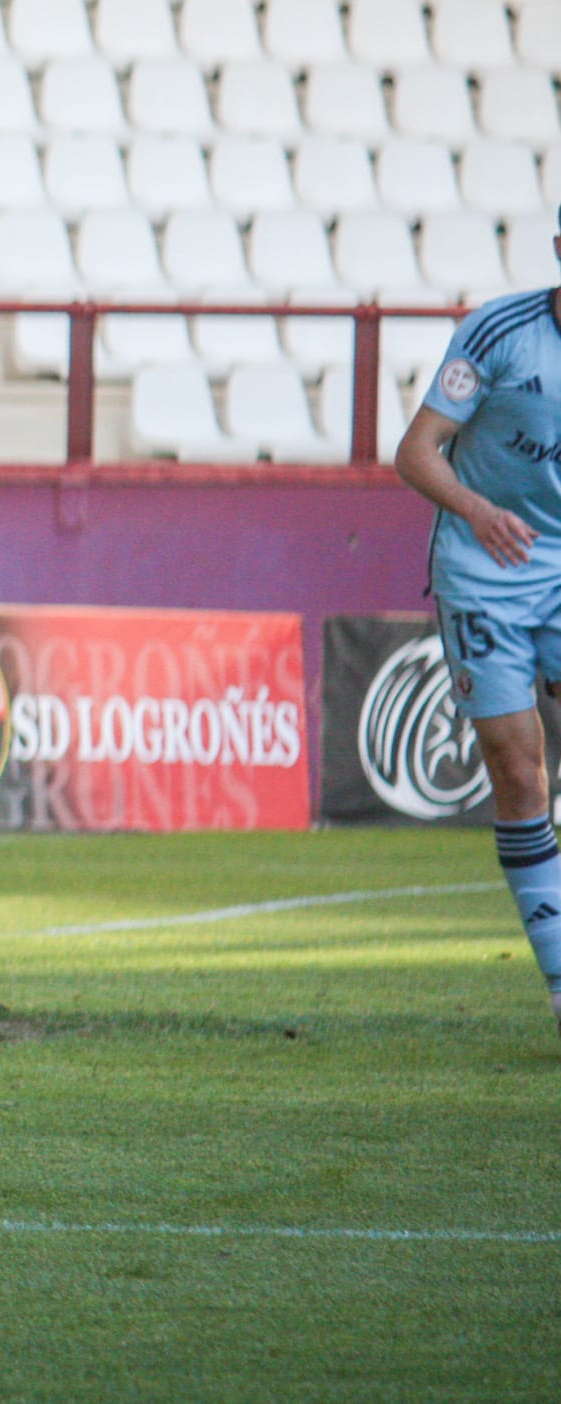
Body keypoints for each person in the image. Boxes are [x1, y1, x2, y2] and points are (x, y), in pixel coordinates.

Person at [395, 228, 561, 1037]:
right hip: (486, 568)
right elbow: (416, 451)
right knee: (521, 773)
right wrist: (477, 509)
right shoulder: (498, 333)